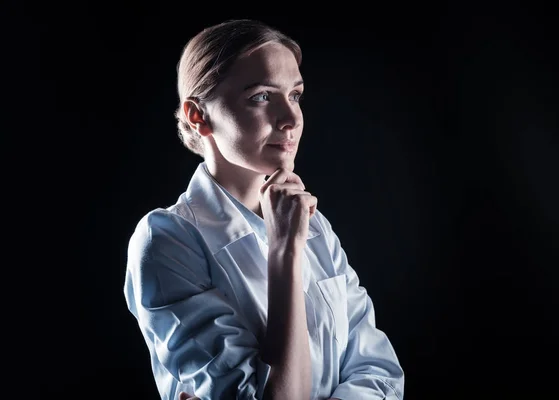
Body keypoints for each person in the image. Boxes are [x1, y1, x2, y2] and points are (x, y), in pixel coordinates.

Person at [123, 18, 405, 400]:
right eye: (261, 97)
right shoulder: (167, 241)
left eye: (295, 95)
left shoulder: (316, 226)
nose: (291, 120)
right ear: (198, 116)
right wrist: (284, 251)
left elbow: (381, 374)